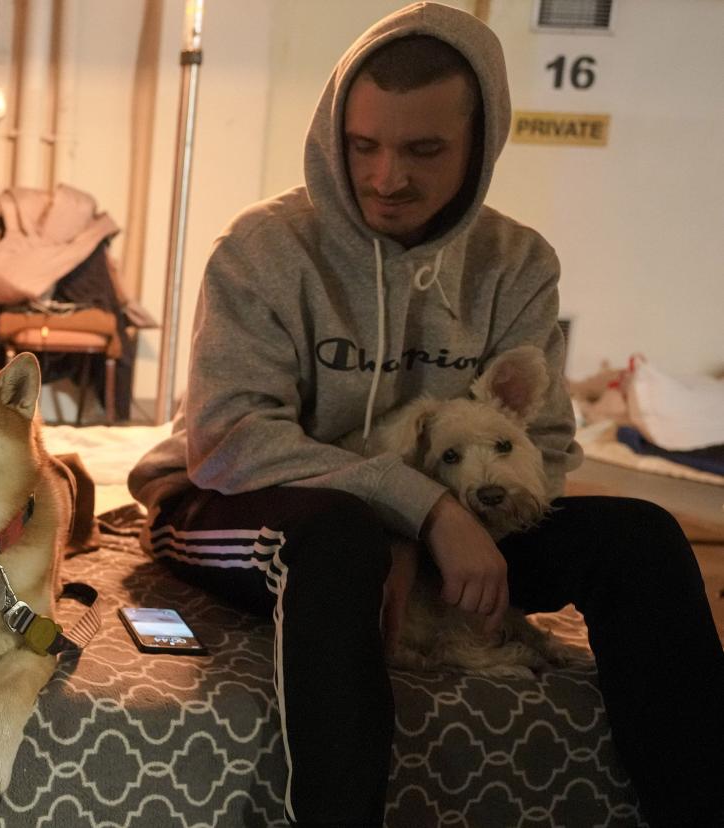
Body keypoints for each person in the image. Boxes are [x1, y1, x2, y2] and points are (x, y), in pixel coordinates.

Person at [127, 4, 724, 827]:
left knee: (644, 539)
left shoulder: (517, 265)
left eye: (423, 151)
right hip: (231, 507)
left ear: (481, 146)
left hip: (434, 522)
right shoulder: (262, 250)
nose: (385, 178)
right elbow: (229, 440)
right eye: (362, 146)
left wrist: (427, 528)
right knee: (341, 541)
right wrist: (415, 514)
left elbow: (541, 447)